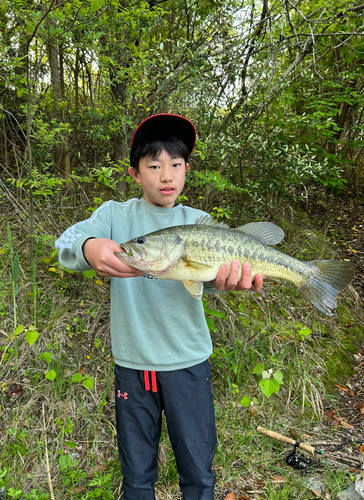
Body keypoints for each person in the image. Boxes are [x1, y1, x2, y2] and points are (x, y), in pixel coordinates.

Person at [55, 114, 263, 500]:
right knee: (136, 475)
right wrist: (89, 247)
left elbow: (206, 285)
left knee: (199, 471)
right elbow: (65, 241)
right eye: (153, 166)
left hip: (188, 364)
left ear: (186, 170)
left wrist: (224, 284)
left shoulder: (199, 223)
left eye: (175, 165)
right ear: (135, 174)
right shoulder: (115, 216)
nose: (166, 175)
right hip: (133, 367)